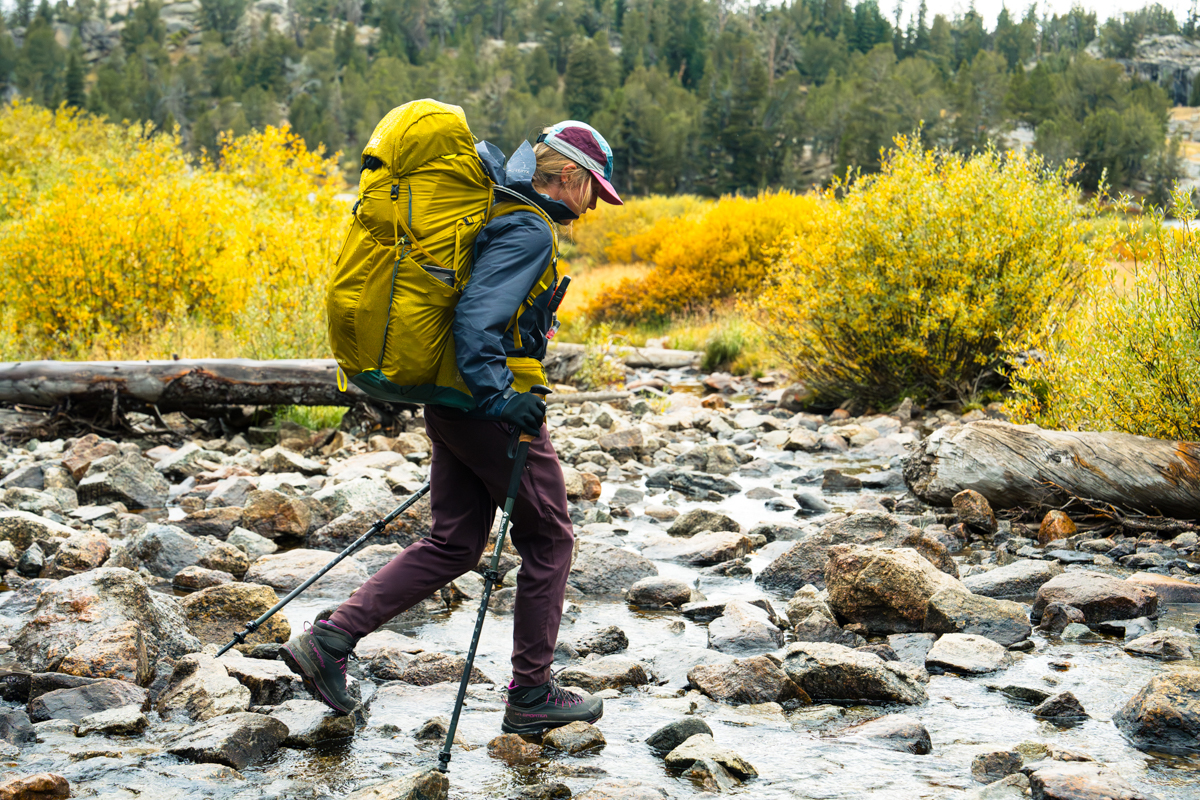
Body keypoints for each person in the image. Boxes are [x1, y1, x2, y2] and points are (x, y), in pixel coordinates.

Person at [282, 120, 624, 735]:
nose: (594, 202)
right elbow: (477, 319)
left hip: (449, 398)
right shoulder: (528, 228)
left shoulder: (497, 208)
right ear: (569, 175)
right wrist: (501, 399)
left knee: (455, 542)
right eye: (593, 188)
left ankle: (330, 640)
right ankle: (532, 694)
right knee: (550, 539)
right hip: (488, 405)